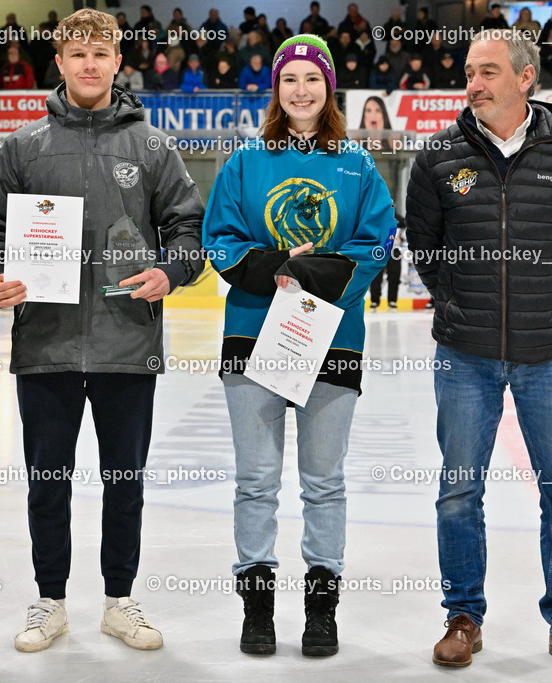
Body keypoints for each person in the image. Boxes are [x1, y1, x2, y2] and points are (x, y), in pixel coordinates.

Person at [0, 8, 205, 655]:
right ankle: (50, 600)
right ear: (60, 61)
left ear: (117, 59)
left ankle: (118, 600)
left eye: (101, 53)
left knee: (123, 481)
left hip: (126, 345)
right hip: (45, 345)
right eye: (78, 54)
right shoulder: (24, 146)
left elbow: (189, 229)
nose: (90, 64)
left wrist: (171, 270)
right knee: (47, 482)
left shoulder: (153, 146)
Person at [405, 29, 552, 676]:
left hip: (548, 353)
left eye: (488, 71)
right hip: (464, 354)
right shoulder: (438, 156)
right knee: (458, 490)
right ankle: (463, 616)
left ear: (525, 79)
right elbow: (426, 247)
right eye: (469, 71)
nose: (474, 83)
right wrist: (458, 306)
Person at [203, 34, 395, 658]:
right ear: (276, 89)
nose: (302, 90)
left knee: (324, 482)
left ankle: (321, 609)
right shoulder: (245, 161)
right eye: (291, 80)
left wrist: (311, 275)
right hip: (255, 335)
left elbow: (375, 242)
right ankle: (257, 606)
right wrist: (272, 268)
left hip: (331, 337)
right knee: (256, 480)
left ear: (329, 88)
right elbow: (220, 238)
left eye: (314, 79)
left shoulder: (358, 165)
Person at [369, 215, 404, 309]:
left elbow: (406, 230)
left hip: (395, 251)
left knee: (394, 276)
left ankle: (392, 300)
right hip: (380, 251)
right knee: (376, 276)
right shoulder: (377, 217)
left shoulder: (399, 219)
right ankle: (374, 301)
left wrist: (402, 239)